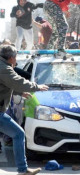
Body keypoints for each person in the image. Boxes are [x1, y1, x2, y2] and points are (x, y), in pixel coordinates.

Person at [0, 45, 49, 174]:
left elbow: (6, 84)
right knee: (18, 134)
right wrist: (37, 86)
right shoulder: (4, 68)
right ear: (11, 58)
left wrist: (20, 93)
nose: (16, 60)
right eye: (15, 57)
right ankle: (23, 170)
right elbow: (17, 81)